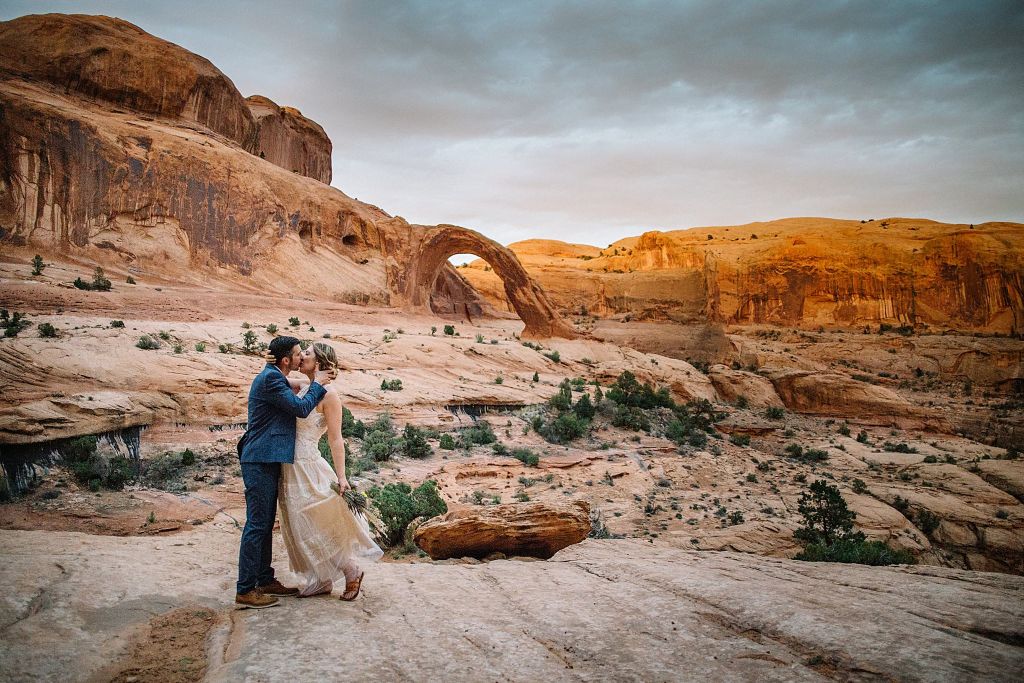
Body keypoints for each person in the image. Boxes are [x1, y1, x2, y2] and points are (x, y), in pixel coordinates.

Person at [235, 336, 334, 609]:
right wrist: (318, 384)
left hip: (268, 459)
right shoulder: (271, 379)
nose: (302, 356)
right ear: (286, 360)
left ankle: (264, 579)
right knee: (257, 524)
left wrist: (314, 380)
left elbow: (297, 387)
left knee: (264, 523)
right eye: (297, 353)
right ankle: (245, 589)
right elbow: (302, 409)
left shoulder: (275, 375)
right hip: (259, 460)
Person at [277, 342, 382, 599]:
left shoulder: (330, 396)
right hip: (289, 467)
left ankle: (351, 570)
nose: (302, 357)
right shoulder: (304, 388)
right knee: (299, 524)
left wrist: (343, 477)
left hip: (309, 466)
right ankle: (321, 579)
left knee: (316, 523)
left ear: (320, 362)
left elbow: (336, 439)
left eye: (308, 354)